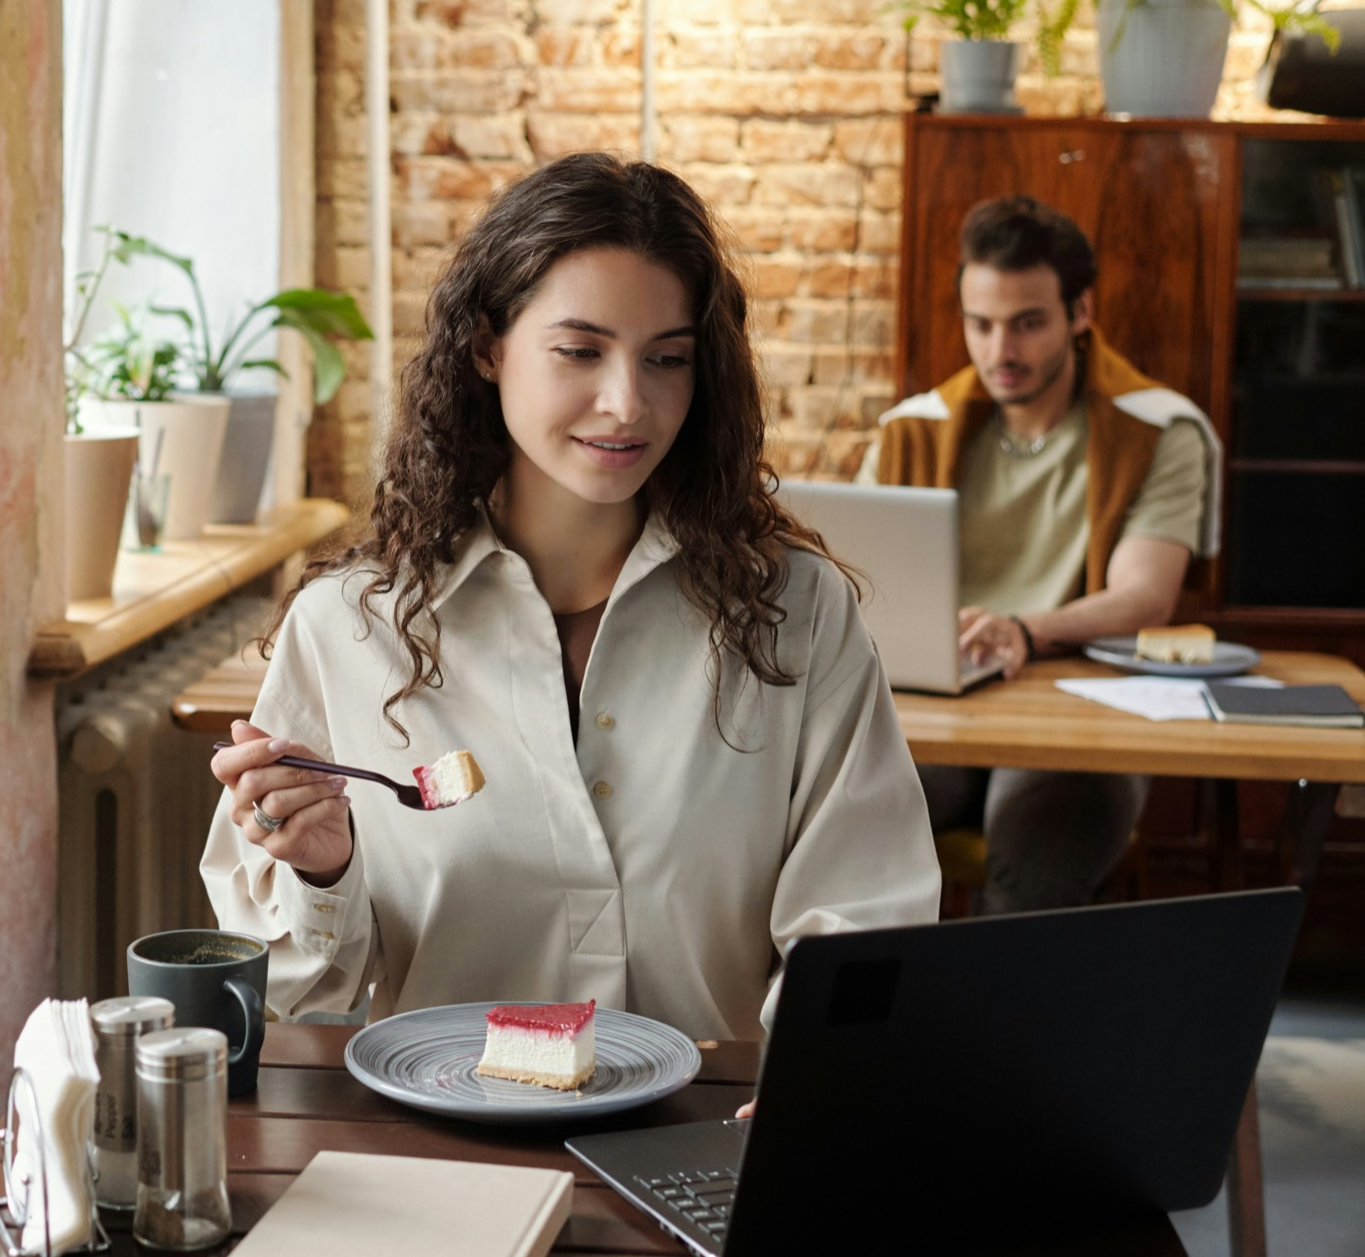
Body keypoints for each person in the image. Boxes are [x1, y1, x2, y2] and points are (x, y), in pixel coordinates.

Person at [202, 152, 940, 1039]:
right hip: (444, 1153)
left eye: (666, 359)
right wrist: (323, 876)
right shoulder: (348, 631)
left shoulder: (796, 614)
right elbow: (294, 996)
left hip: (708, 1141)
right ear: (487, 346)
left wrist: (809, 1081)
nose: (627, 402)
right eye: (579, 351)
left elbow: (865, 916)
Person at [857, 194, 1221, 914]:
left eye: (1026, 323)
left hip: (1080, 716)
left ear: (1079, 313)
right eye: (980, 324)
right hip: (937, 712)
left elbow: (1145, 596)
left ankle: (1001, 1028)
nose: (1000, 352)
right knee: (846, 833)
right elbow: (854, 585)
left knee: (1035, 863)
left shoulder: (1159, 429)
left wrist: (1023, 632)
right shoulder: (910, 432)